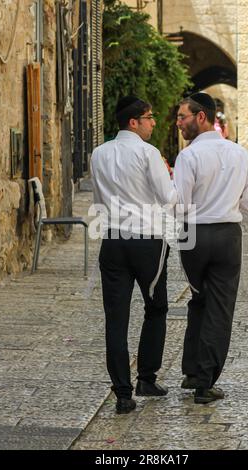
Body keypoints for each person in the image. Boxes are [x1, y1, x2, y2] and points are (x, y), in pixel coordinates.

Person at [90, 96, 177, 414]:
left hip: (112, 240)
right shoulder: (148, 153)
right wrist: (173, 178)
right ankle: (147, 378)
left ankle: (123, 394)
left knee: (115, 317)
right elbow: (168, 198)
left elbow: (99, 199)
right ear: (134, 122)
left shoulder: (98, 153)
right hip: (147, 241)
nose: (154, 122)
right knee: (156, 307)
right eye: (150, 117)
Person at [173, 92, 248, 404]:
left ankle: (193, 371)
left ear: (201, 117)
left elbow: (179, 205)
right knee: (220, 307)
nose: (178, 123)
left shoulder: (188, 157)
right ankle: (203, 380)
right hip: (227, 235)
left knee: (199, 298)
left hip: (193, 235)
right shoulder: (239, 153)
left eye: (183, 117)